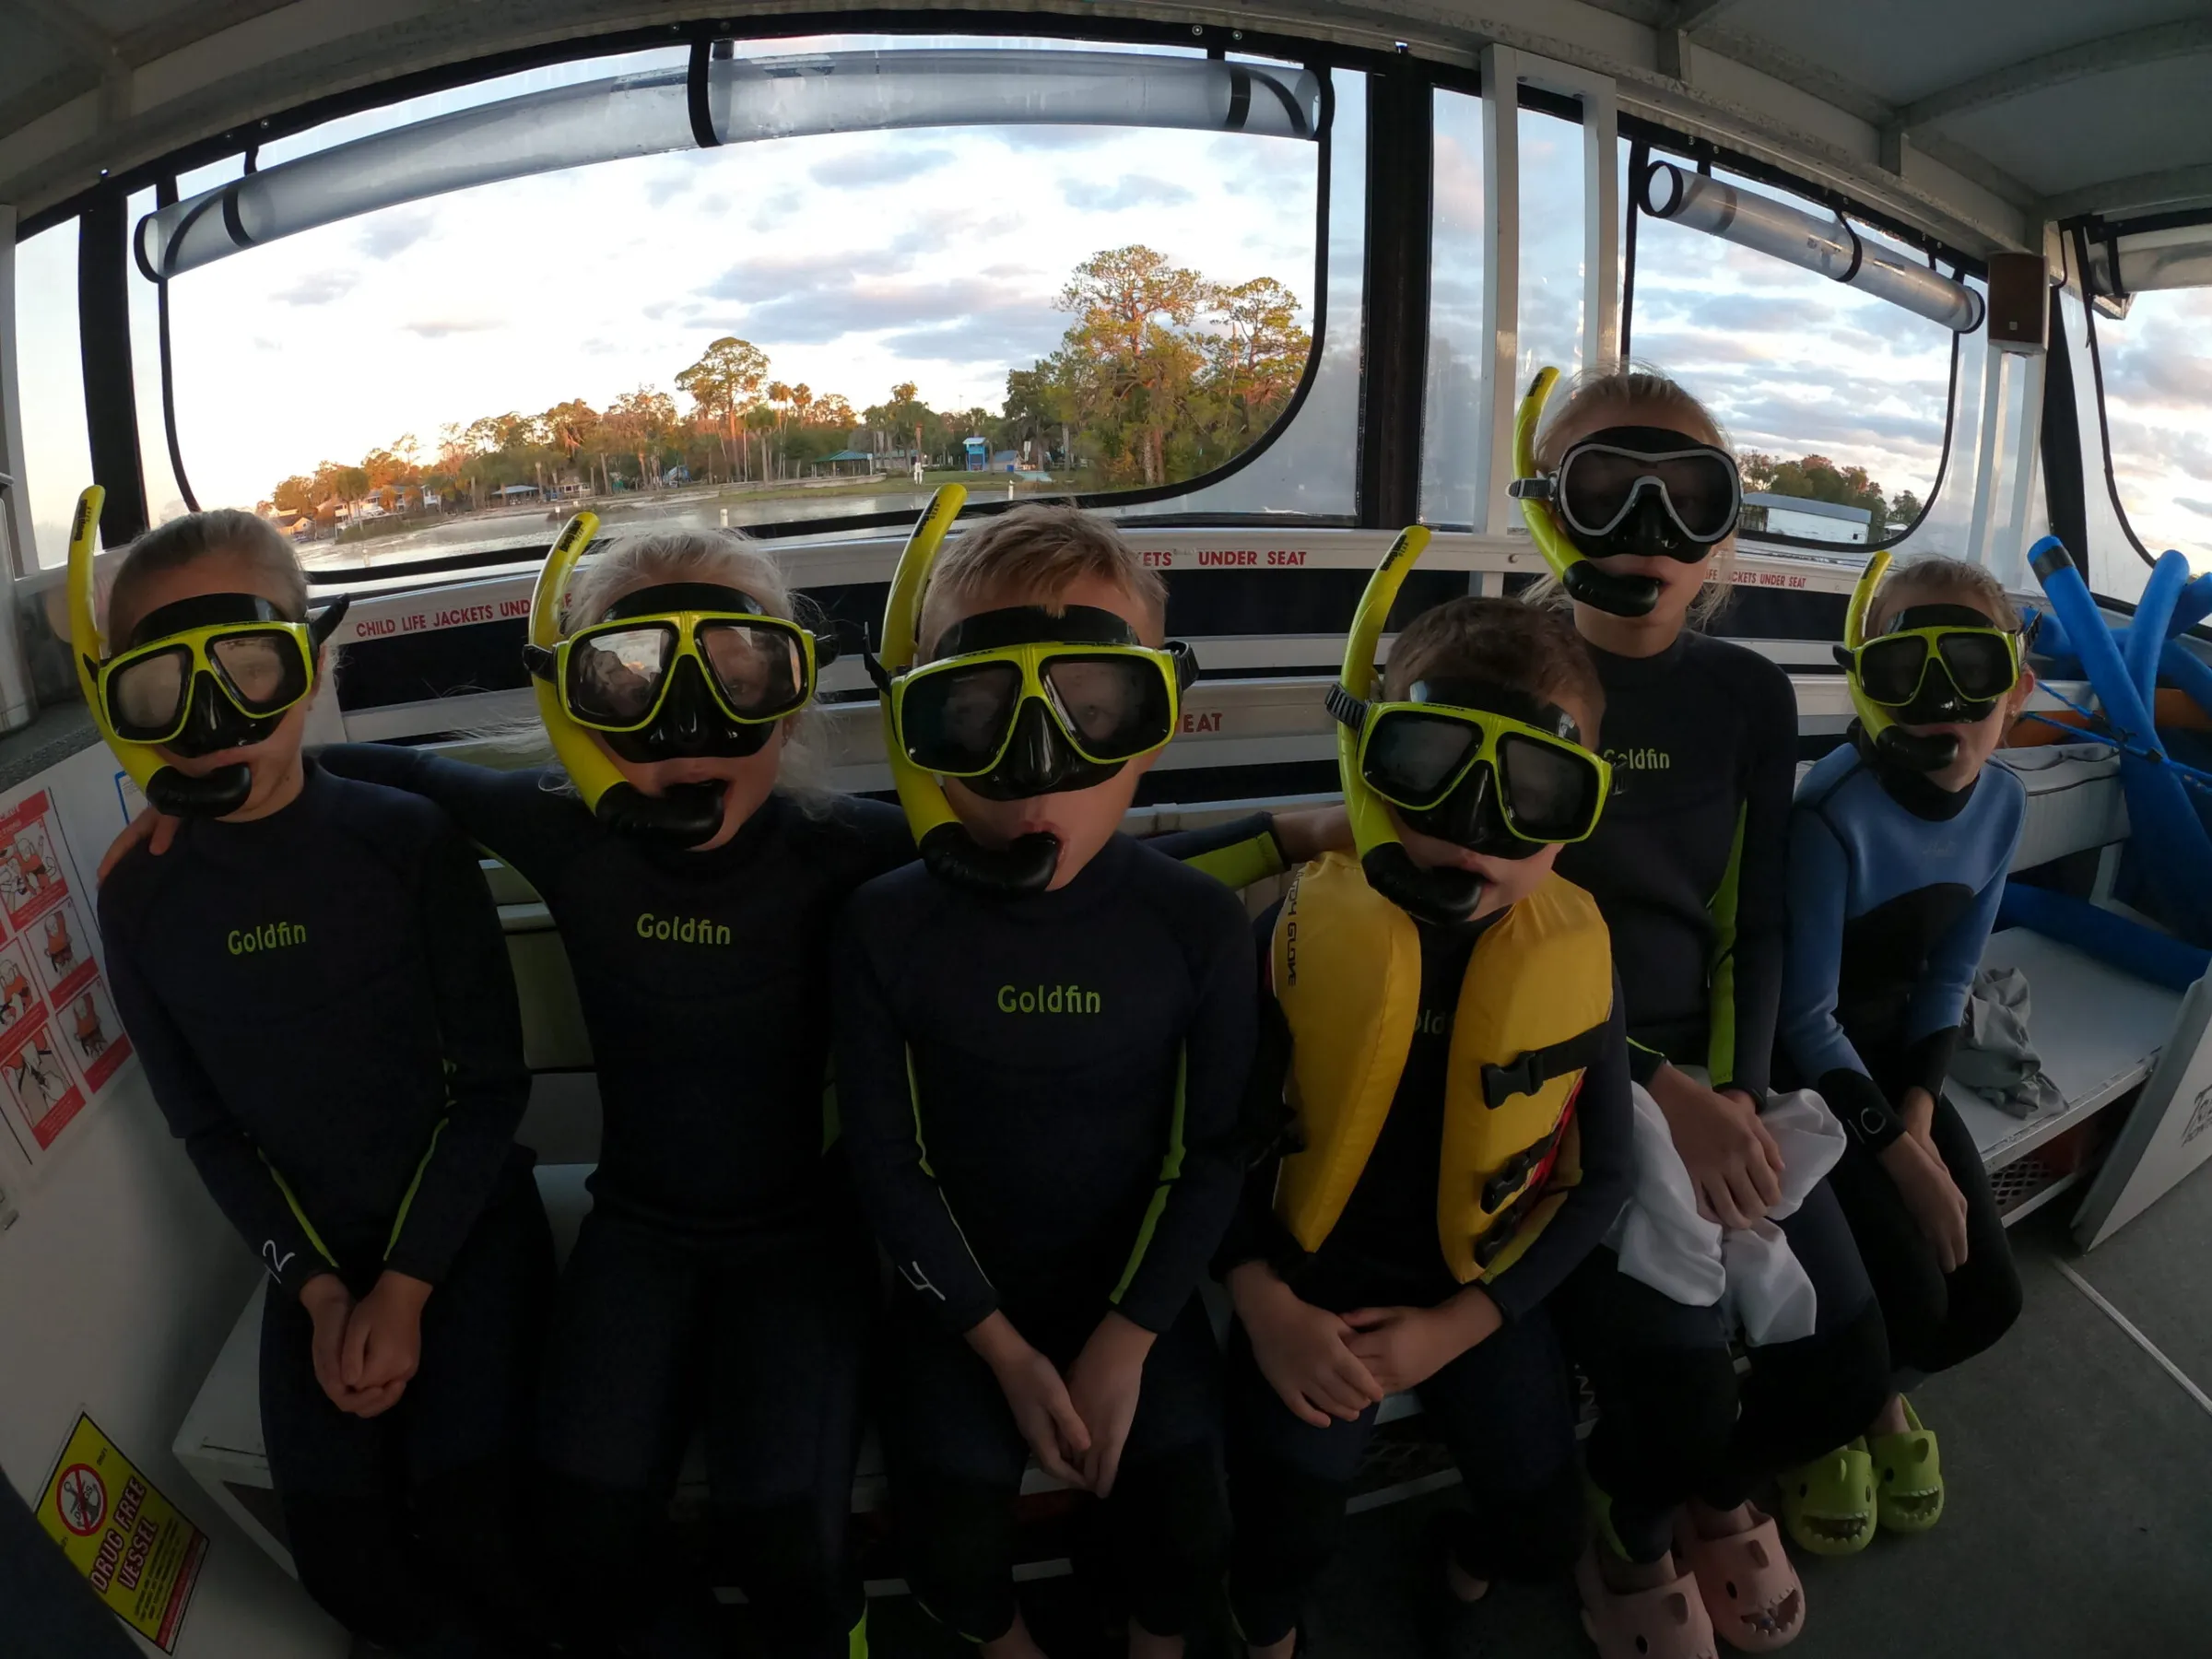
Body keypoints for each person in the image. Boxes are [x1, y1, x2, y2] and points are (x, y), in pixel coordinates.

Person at [104, 510, 1315, 1657]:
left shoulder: (851, 849)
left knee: (783, 1520)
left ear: (792, 708)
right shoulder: (569, 831)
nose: (689, 727)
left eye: (741, 680)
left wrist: (1298, 834)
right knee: (582, 1517)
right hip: (641, 1229)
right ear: (581, 714)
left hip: (809, 1238)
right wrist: (185, 806)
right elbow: (370, 788)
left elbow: (1070, 868)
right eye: (630, 686)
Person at [91, 510, 555, 1658]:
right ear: (121, 702)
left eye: (249, 670)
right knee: (345, 1559)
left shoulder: (404, 844)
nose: (208, 725)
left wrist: (401, 1287)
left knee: (476, 1515)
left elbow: (490, 1088)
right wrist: (317, 1291)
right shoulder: (140, 897)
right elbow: (204, 1126)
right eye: (162, 693)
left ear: (309, 663)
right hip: (310, 1266)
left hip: (466, 1227)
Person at [834, 503, 1255, 1659]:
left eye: (1093, 706)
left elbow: (1214, 1150)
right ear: (922, 726)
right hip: (959, 1305)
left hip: (1136, 1288)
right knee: (951, 1507)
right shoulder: (886, 927)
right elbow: (884, 1159)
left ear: (1153, 722)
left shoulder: (1194, 925)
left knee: (1186, 1504)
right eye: (977, 710)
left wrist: (1126, 1338)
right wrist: (1001, 1348)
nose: (1038, 765)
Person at [1516, 366, 1890, 1655]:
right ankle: (1629, 1525)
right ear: (1546, 513)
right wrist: (1663, 1092)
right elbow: (1487, 946)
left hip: (1716, 1072)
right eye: (1604, 491)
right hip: (1554, 1076)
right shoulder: (1498, 679)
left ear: (1726, 531)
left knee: (1845, 1367)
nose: (1647, 535)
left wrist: (1728, 1093)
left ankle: (1716, 1496)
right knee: (1675, 1386)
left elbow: (1756, 922)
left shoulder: (1747, 696)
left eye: (1689, 500)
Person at [1220, 574, 1633, 1659]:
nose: (1474, 826)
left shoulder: (1577, 961)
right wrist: (1261, 1299)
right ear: (1369, 759)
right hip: (1306, 1292)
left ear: (1579, 813)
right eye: (1429, 765)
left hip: (1478, 1295)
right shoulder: (1302, 930)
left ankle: (1470, 1563)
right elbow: (1211, 1136)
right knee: (1278, 1538)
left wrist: (1468, 1323)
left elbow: (1607, 1180)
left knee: (1546, 1528)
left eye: (1534, 793)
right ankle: (1269, 1635)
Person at [1777, 552, 2030, 1551]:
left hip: (1896, 1074)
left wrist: (1920, 1119)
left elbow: (1948, 980)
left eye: (1972, 671)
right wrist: (1898, 1150)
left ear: (2016, 682)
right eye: (1904, 675)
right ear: (1868, 687)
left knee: (1988, 1303)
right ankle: (1833, 1417)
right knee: (1918, 1288)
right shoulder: (1830, 819)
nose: (1943, 709)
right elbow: (1801, 1024)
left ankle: (1873, 1392)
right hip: (1807, 1079)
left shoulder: (2004, 803)